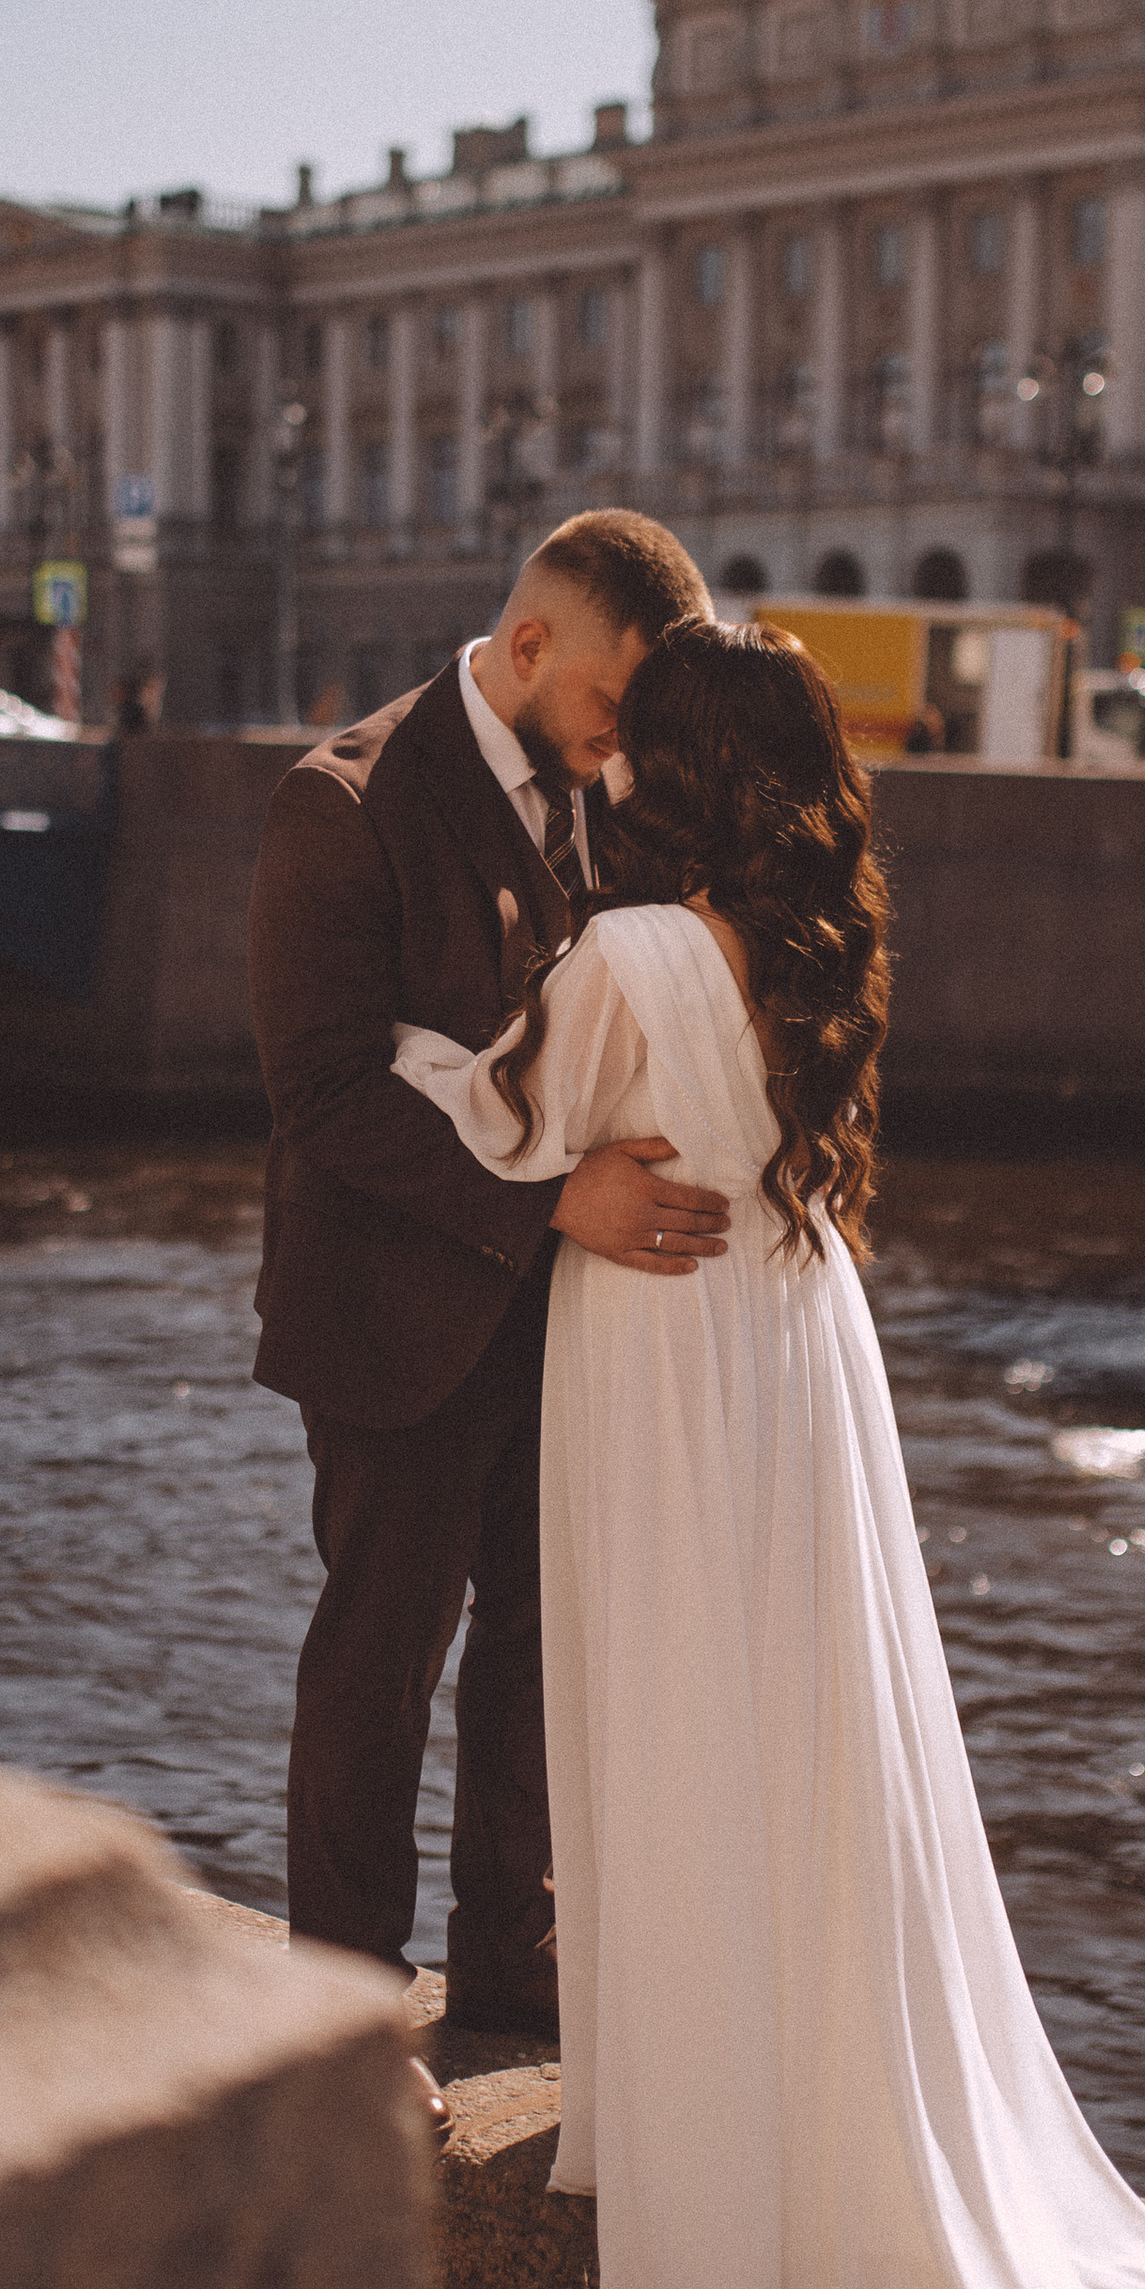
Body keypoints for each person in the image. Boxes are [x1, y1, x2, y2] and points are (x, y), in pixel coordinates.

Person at [389, 621, 1145, 2289]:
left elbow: (497, 1120)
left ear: (666, 768)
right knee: (798, 1738)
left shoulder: (628, 956)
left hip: (657, 1364)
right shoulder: (808, 953)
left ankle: (695, 2136)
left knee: (665, 1730)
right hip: (786, 1342)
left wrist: (442, 1067)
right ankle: (783, 2103)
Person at [246, 509, 725, 2040]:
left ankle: (513, 1974)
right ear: (529, 649)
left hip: (556, 1320)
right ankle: (343, 2015)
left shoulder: (609, 790)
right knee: (381, 1664)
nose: (623, 739)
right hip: (393, 1314)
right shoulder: (345, 803)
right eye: (612, 703)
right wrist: (549, 1207)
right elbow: (321, 1095)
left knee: (536, 1650)